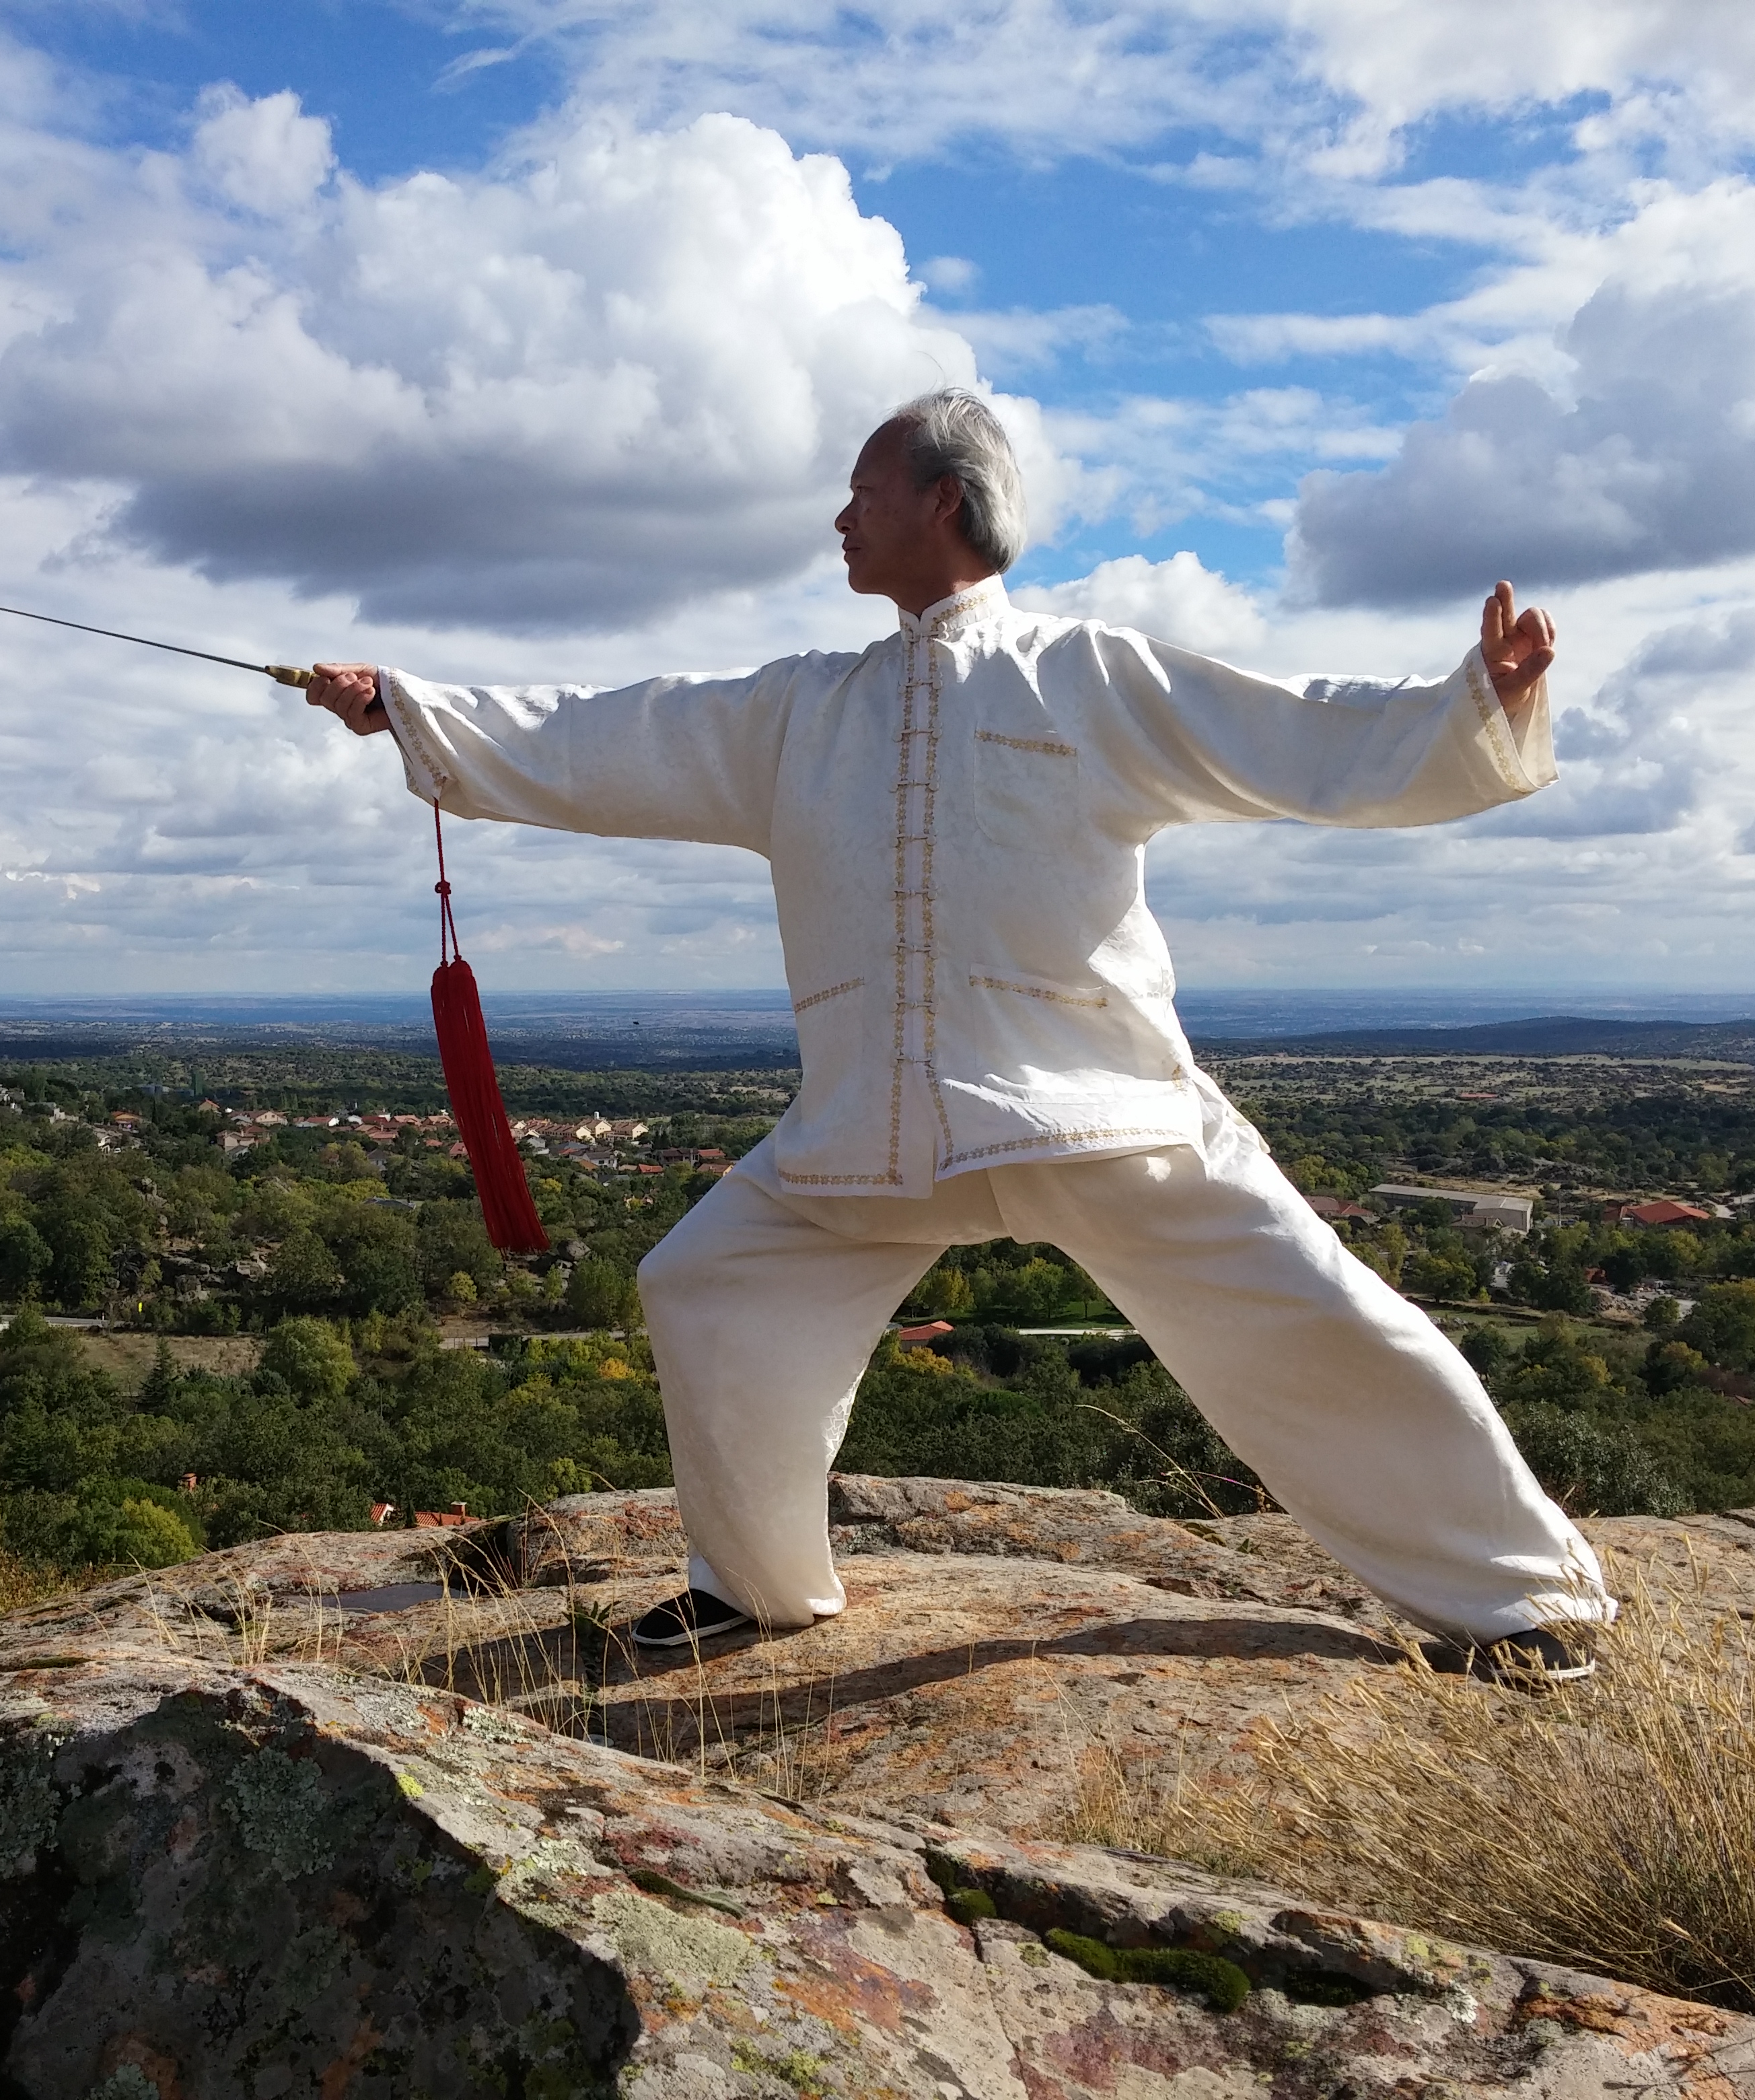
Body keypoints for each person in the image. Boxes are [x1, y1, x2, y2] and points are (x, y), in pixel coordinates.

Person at [306, 390, 1610, 1680]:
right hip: (874, 1122)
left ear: (942, 500)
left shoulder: (1090, 676)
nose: (838, 519)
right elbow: (612, 729)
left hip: (1094, 1104)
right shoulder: (800, 713)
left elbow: (1290, 727)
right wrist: (409, 710)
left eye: (862, 494)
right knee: (709, 1282)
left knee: (1311, 1313)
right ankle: (751, 1589)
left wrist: (1463, 711)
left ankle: (1522, 1604)